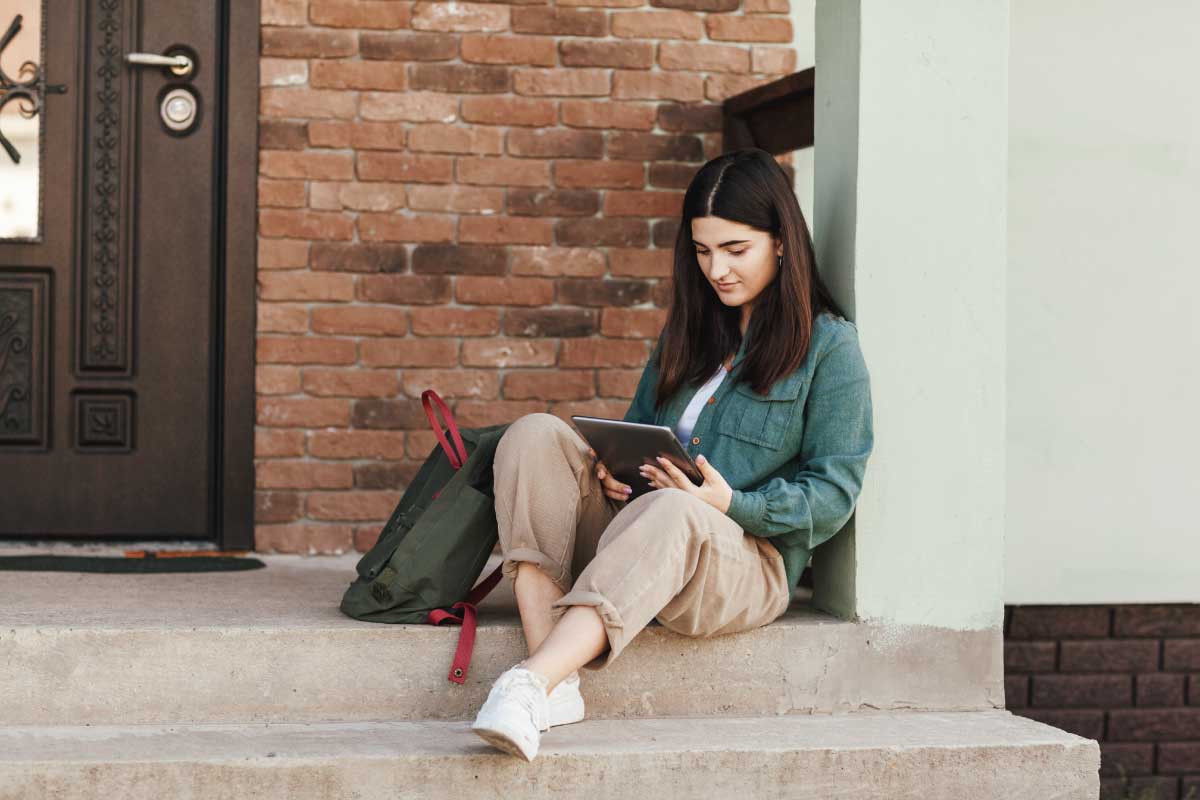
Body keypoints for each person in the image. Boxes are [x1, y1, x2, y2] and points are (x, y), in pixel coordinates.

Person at [471, 147, 874, 761]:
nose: (718, 270)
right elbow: (634, 430)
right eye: (704, 251)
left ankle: (528, 681)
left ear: (783, 243)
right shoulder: (689, 331)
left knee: (680, 511)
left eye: (737, 250)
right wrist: (611, 470)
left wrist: (730, 503)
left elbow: (835, 493)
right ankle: (556, 682)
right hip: (642, 529)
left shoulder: (829, 347)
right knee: (531, 434)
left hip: (742, 560)